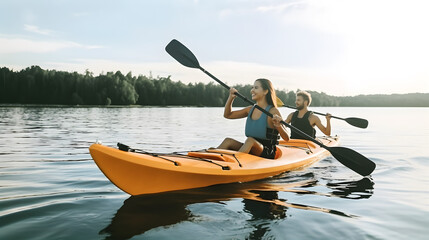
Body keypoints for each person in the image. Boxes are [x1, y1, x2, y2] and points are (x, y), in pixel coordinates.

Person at [217, 78, 289, 159]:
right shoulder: (250, 109)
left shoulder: (273, 111)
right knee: (228, 141)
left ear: (265, 91)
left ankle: (236, 162)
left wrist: (278, 126)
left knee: (250, 140)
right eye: (252, 87)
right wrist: (231, 98)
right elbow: (228, 115)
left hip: (267, 152)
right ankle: (210, 159)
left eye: (256, 88)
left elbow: (286, 138)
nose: (252, 90)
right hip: (250, 147)